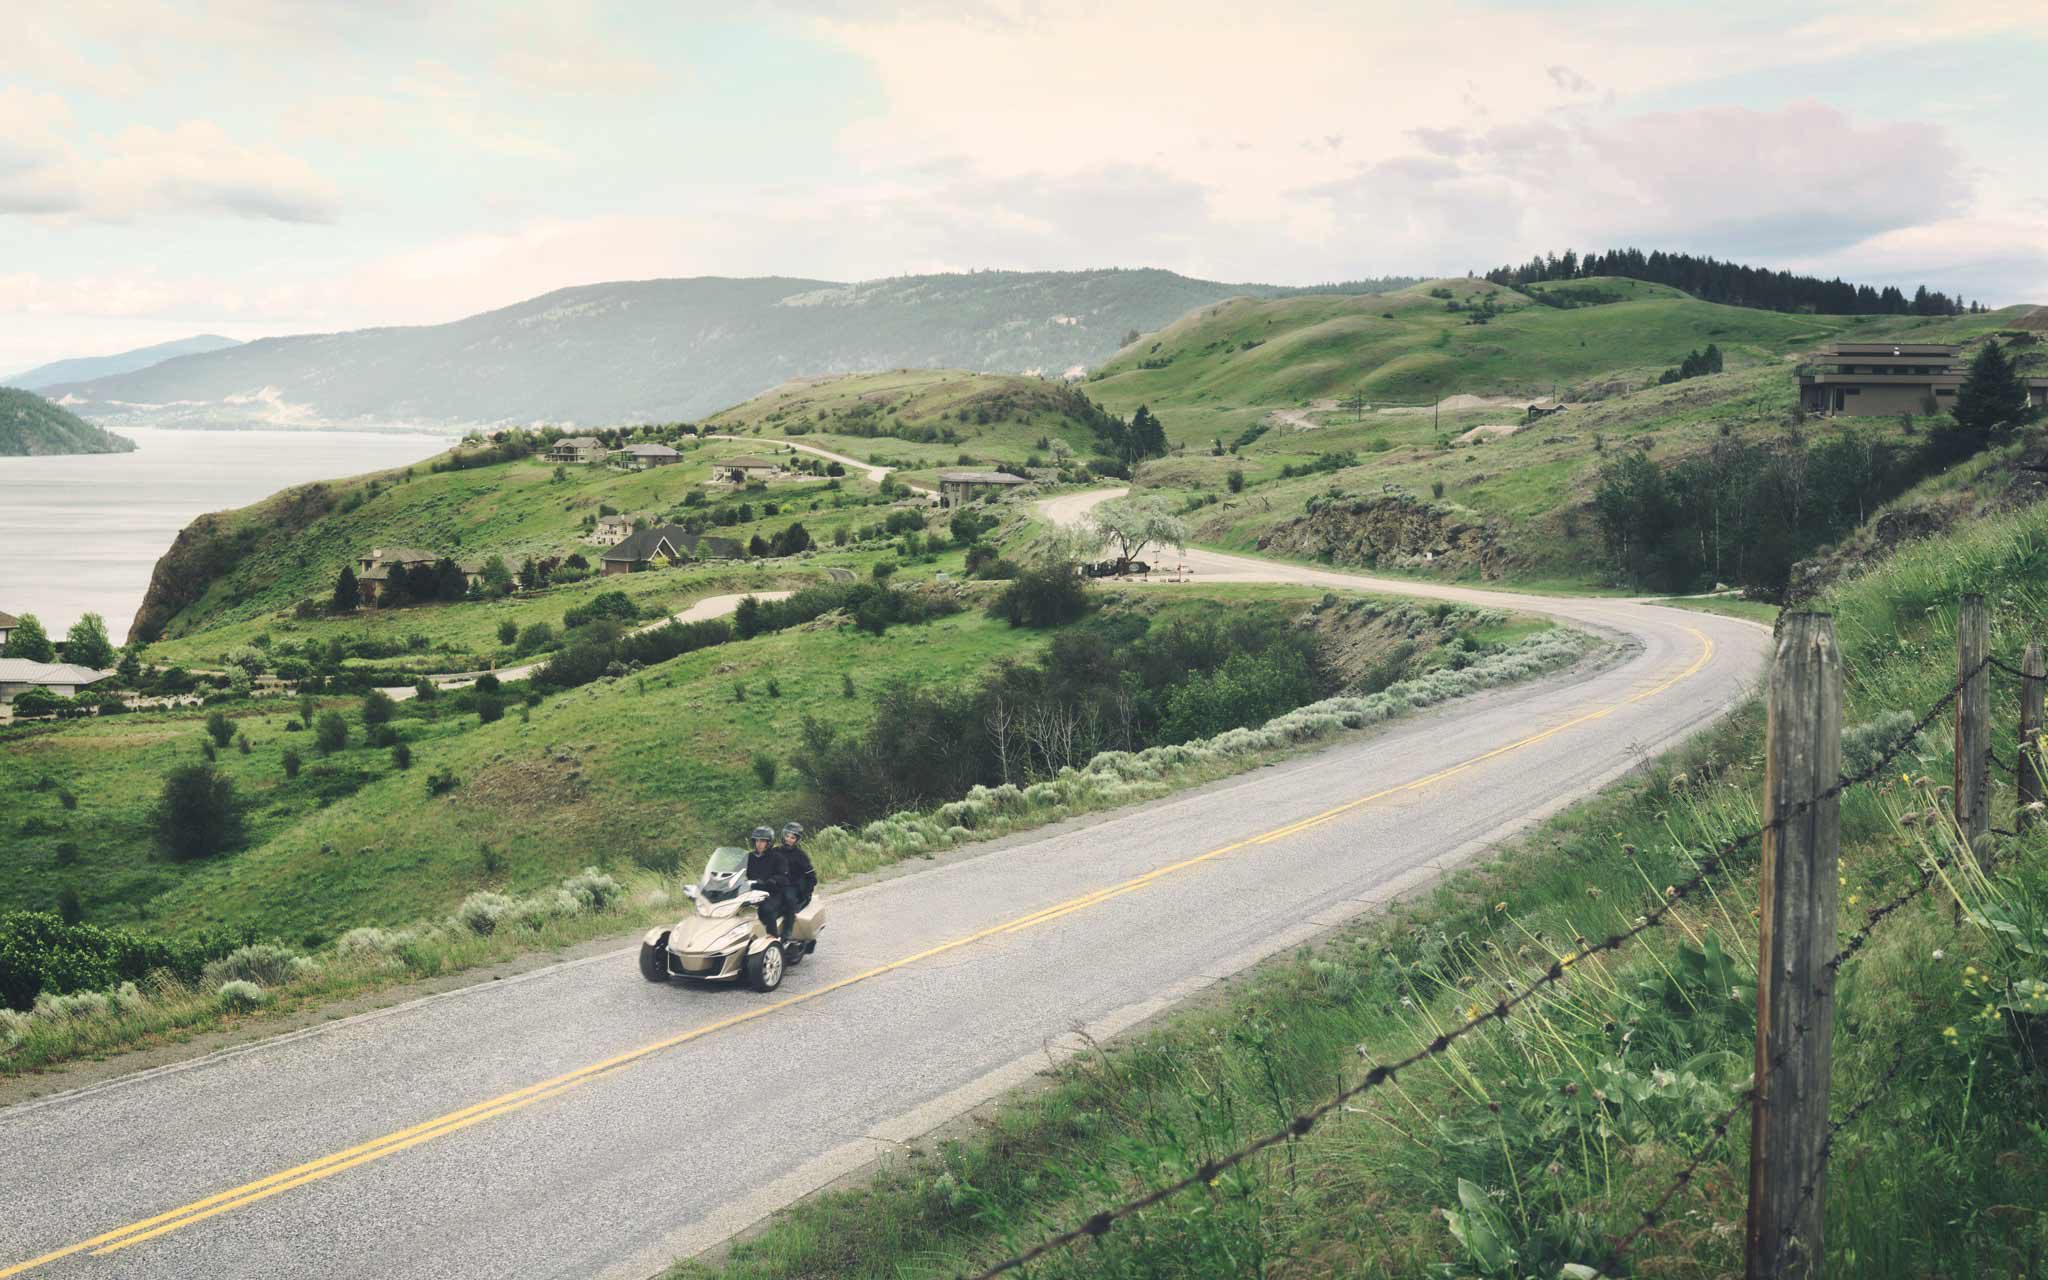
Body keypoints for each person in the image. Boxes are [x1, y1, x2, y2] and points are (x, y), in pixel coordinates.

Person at [743, 825, 791, 937]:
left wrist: (773, 880)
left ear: (769, 842)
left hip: (773, 892)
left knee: (766, 909)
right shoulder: (748, 857)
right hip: (751, 892)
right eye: (756, 840)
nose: (759, 844)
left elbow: (784, 877)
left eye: (763, 841)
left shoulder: (778, 858)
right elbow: (737, 871)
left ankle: (773, 938)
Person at [777, 822, 816, 938]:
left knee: (788, 899)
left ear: (797, 840)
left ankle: (787, 931)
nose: (789, 839)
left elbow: (811, 876)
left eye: (792, 837)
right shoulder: (775, 851)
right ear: (783, 836)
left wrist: (807, 892)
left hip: (792, 886)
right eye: (787, 836)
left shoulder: (800, 855)